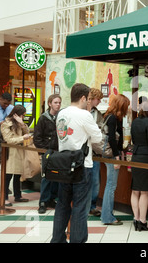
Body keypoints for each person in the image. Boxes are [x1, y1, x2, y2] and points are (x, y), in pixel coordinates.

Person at [51, 83, 102, 243]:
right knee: (80, 208)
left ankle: (57, 239)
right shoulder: (84, 115)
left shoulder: (61, 113)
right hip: (81, 165)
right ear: (83, 98)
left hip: (63, 164)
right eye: (87, 99)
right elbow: (98, 138)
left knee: (63, 205)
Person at [130, 98, 148, 231]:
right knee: (144, 192)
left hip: (135, 156)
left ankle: (136, 219)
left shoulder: (135, 121)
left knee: (135, 190)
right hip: (146, 156)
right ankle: (143, 221)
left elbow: (133, 139)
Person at [100, 94, 130, 225]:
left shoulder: (110, 116)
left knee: (110, 185)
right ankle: (107, 217)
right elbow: (112, 138)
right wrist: (117, 156)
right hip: (112, 156)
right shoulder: (112, 118)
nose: (127, 109)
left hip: (110, 154)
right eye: (126, 106)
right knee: (111, 186)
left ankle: (107, 215)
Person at [33, 94, 62, 214]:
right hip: (47, 152)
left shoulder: (61, 118)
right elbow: (37, 137)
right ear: (50, 103)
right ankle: (43, 201)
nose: (58, 105)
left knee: (57, 177)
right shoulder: (43, 118)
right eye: (55, 102)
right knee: (46, 177)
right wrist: (45, 150)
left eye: (59, 102)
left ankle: (51, 199)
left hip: (59, 152)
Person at [0, 105, 31, 206]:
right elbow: (9, 140)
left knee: (18, 175)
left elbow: (27, 133)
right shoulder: (6, 124)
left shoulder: (19, 123)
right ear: (16, 114)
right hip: (10, 153)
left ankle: (18, 196)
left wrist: (22, 124)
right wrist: (22, 138)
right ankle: (4, 198)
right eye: (22, 116)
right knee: (8, 176)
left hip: (19, 152)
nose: (23, 117)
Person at [87, 88, 104, 217]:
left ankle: (92, 206)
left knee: (95, 182)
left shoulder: (99, 114)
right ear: (92, 98)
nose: (99, 102)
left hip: (95, 153)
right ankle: (84, 205)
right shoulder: (82, 112)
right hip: (83, 152)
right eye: (98, 99)